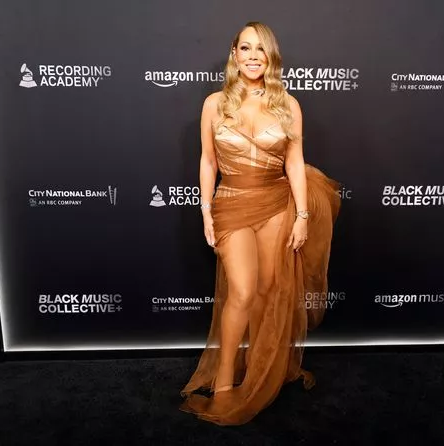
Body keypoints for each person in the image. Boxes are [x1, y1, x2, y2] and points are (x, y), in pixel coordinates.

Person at [179, 21, 341, 425]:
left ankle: (260, 368)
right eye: (246, 48)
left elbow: (294, 164)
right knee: (242, 291)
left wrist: (302, 215)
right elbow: (208, 161)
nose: (253, 56)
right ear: (234, 54)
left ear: (271, 57)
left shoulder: (288, 104)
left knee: (268, 290)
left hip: (276, 203)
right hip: (231, 202)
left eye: (261, 49)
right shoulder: (215, 103)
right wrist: (205, 209)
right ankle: (223, 381)